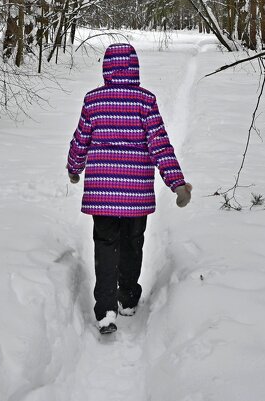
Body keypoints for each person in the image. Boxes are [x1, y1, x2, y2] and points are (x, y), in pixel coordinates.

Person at [66, 42, 191, 335]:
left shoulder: (93, 100)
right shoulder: (144, 101)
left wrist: (74, 167)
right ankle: (127, 298)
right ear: (134, 67)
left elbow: (80, 139)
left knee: (105, 247)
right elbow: (160, 144)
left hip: (103, 193)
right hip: (136, 193)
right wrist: (177, 183)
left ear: (106, 68)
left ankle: (106, 309)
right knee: (133, 244)